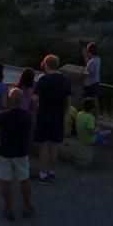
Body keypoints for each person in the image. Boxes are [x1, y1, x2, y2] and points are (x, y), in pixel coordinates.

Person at [0, 87, 35, 221]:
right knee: (24, 179)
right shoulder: (27, 116)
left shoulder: (2, 115)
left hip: (5, 151)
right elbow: (29, 133)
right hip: (21, 151)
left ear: (10, 99)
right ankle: (26, 206)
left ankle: (8, 209)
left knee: (6, 181)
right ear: (22, 100)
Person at [32, 54, 70, 185]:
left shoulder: (43, 80)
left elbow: (34, 99)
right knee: (54, 146)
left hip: (44, 116)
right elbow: (68, 101)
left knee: (43, 146)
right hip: (58, 117)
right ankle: (52, 172)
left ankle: (42, 175)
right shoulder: (65, 80)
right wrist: (64, 114)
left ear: (45, 65)